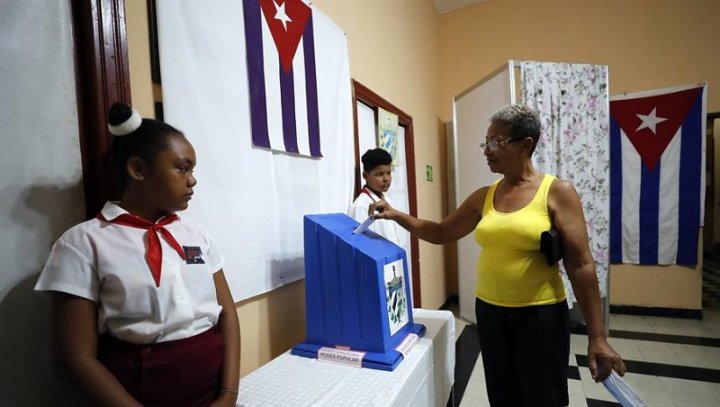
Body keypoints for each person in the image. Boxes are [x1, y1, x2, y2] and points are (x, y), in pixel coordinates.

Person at [369, 105, 625, 407]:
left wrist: (597, 336)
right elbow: (440, 232)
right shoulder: (484, 196)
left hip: (540, 316)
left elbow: (580, 264)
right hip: (491, 313)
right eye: (486, 142)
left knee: (543, 397)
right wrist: (396, 215)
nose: (487, 150)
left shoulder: (556, 192)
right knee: (503, 396)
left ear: (525, 144)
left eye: (496, 142)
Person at [35, 103, 240, 407]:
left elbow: (227, 315)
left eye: (192, 170)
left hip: (211, 391)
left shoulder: (197, 236)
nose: (192, 180)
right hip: (140, 394)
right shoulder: (82, 243)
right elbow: (76, 357)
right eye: (182, 168)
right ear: (138, 169)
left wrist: (228, 395)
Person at [348, 148, 402, 246]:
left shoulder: (388, 201)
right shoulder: (361, 206)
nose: (386, 179)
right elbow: (358, 245)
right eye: (380, 174)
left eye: (389, 173)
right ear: (365, 175)